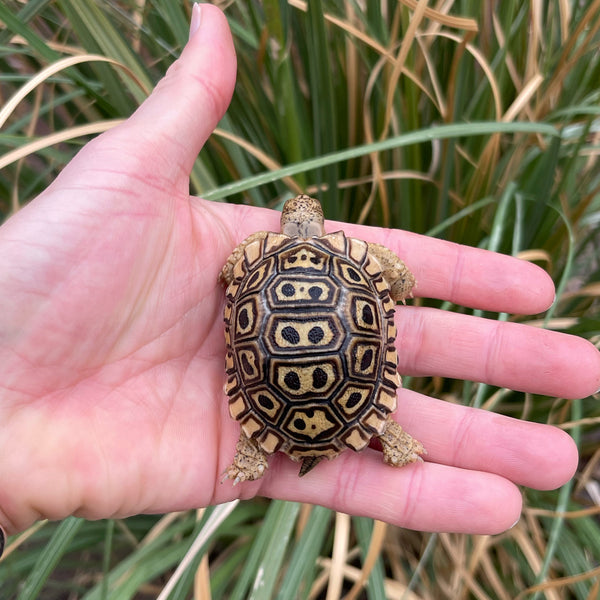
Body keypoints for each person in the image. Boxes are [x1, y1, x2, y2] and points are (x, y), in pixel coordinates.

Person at [0, 4, 598, 547]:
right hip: (345, 389)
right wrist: (390, 272)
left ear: (292, 224)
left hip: (272, 393)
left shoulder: (256, 262)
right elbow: (383, 273)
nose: (299, 209)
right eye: (300, 210)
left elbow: (236, 273)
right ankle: (378, 433)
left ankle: (268, 448)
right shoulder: (348, 260)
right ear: (310, 225)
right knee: (371, 400)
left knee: (309, 397)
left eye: (297, 210)